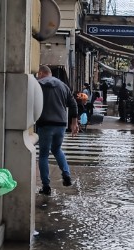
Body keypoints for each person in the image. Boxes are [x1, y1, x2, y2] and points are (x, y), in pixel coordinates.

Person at [36, 65, 79, 195]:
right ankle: (66, 174)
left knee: (43, 155)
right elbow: (73, 104)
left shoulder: (38, 85)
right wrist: (74, 123)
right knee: (56, 149)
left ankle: (46, 186)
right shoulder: (63, 85)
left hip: (45, 123)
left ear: (41, 73)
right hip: (61, 123)